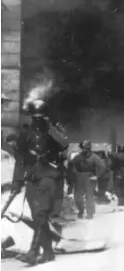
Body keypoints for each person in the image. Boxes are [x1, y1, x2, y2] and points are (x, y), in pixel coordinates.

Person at [11, 99, 69, 265]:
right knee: (37, 217)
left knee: (40, 214)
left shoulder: (54, 131)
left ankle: (33, 252)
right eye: (34, 117)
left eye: (40, 117)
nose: (37, 120)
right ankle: (48, 252)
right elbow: (20, 160)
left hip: (49, 177)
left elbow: (64, 144)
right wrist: (17, 180)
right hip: (32, 178)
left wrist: (49, 128)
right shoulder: (25, 134)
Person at [71, 140, 106, 219]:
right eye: (83, 148)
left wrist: (97, 176)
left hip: (90, 178)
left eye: (86, 148)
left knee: (89, 197)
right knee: (78, 196)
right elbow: (72, 167)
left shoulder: (94, 157)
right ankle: (81, 211)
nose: (84, 149)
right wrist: (74, 175)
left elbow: (102, 167)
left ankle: (89, 213)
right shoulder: (77, 157)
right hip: (79, 178)